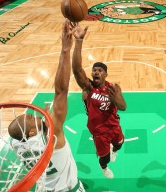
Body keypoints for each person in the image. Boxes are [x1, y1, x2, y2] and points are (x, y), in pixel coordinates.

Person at [8, 19, 84, 191]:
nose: (34, 114)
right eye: (31, 117)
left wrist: (42, 119)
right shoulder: (53, 136)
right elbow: (61, 91)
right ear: (33, 132)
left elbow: (26, 133)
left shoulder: (17, 144)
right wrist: (66, 48)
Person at [71, 23, 127, 179]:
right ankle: (104, 168)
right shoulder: (88, 88)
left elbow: (123, 107)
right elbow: (76, 70)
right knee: (104, 158)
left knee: (120, 144)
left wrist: (116, 98)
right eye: (94, 70)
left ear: (105, 75)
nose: (96, 72)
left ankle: (114, 149)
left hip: (114, 126)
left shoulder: (114, 87)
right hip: (99, 132)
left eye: (100, 70)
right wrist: (78, 41)